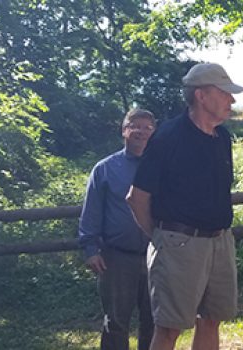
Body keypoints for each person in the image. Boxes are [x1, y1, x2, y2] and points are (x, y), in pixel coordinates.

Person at [126, 62, 243, 350]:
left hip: (220, 241)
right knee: (169, 328)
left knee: (212, 319)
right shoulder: (168, 137)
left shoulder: (223, 138)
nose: (232, 100)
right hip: (179, 243)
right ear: (201, 96)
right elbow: (137, 197)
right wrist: (162, 239)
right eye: (225, 93)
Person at [78, 108, 156, 350]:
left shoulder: (163, 167)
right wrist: (90, 249)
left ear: (154, 133)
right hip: (117, 258)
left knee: (155, 321)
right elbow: (91, 211)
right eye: (135, 125)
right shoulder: (105, 169)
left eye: (147, 127)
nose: (141, 131)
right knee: (116, 323)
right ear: (124, 130)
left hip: (158, 255)